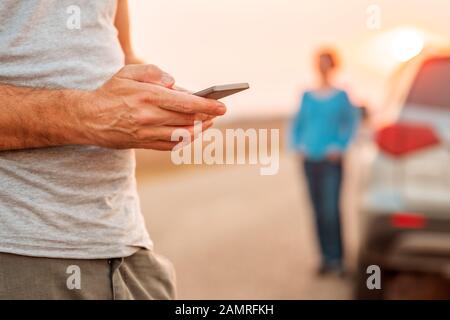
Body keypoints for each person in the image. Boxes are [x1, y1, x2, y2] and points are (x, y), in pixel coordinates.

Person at [0, 0, 227, 299]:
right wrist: (87, 115)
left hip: (129, 251)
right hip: (20, 252)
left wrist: (161, 100)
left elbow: (122, 52)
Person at [290, 49, 360, 275]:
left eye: (326, 62)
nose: (322, 66)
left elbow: (351, 124)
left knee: (331, 210)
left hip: (332, 161)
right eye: (319, 62)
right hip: (310, 160)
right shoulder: (306, 95)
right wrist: (298, 145)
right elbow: (297, 124)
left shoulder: (342, 95)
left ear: (333, 65)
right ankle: (324, 259)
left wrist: (339, 146)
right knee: (317, 210)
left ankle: (338, 259)